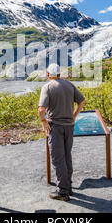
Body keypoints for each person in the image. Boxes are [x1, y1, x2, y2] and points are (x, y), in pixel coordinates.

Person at [38, 63, 86, 201]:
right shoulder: (69, 85)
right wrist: (74, 115)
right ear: (59, 74)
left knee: (58, 159)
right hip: (69, 126)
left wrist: (43, 121)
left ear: (48, 74)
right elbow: (82, 101)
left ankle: (63, 192)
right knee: (66, 157)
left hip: (56, 127)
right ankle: (68, 186)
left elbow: (41, 110)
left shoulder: (47, 87)